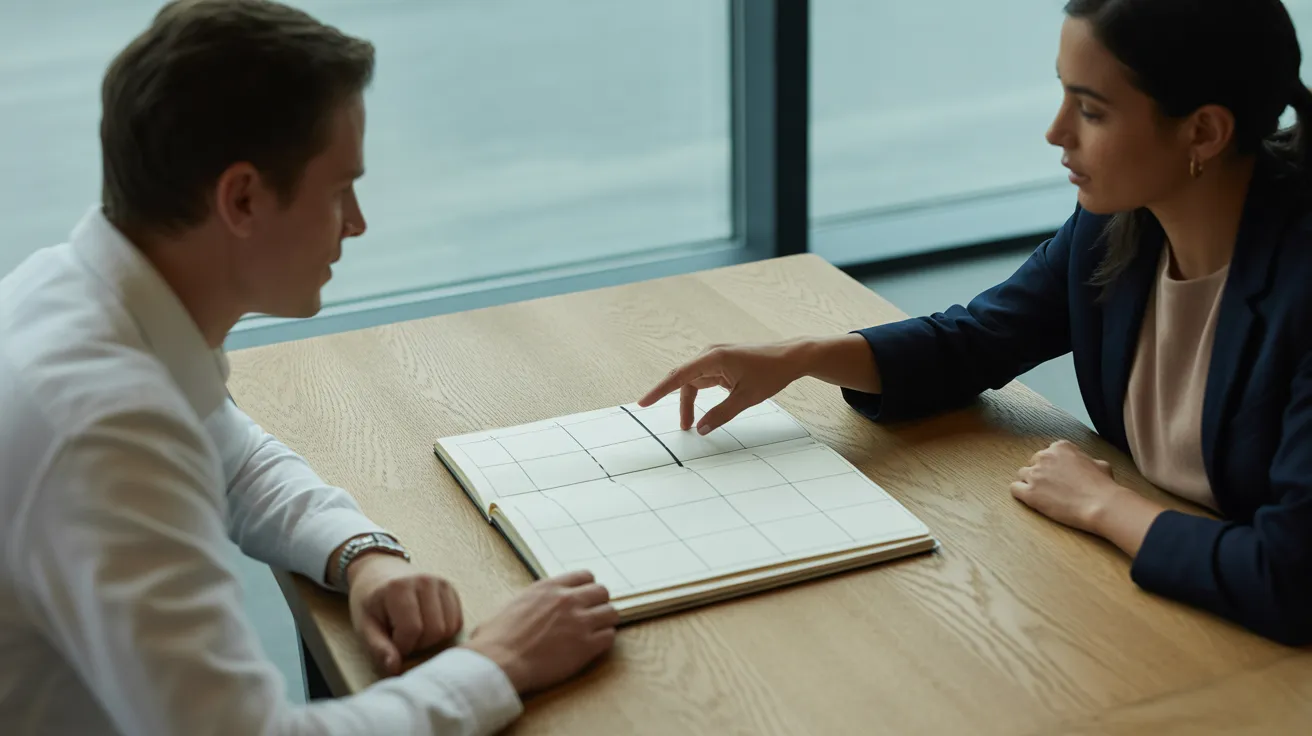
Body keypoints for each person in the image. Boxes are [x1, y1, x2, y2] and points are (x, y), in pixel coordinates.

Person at [0, 1, 617, 734]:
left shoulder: (70, 292)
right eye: (338, 191)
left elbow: (234, 459)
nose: (356, 222)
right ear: (243, 198)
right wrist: (498, 663)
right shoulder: (105, 428)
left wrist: (360, 555)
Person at [640, 0, 1312, 647]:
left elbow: (1292, 578)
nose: (1056, 131)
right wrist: (802, 355)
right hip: (1177, 614)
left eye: (1090, 110)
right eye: (1064, 95)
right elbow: (976, 341)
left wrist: (1104, 507)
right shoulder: (1114, 225)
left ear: (1203, 131)